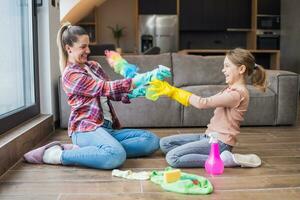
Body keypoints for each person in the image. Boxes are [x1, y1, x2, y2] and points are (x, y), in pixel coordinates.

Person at [23, 22, 171, 169]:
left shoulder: (93, 66)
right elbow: (104, 87)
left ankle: (99, 150)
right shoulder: (70, 75)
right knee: (116, 156)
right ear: (68, 48)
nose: (88, 50)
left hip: (106, 128)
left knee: (151, 141)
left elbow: (111, 93)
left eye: (88, 46)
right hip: (85, 129)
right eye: (83, 47)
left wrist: (137, 92)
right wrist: (145, 78)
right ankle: (57, 155)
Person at [148, 48, 266, 168]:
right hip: (208, 136)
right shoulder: (230, 89)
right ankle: (202, 153)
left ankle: (220, 159)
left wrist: (173, 91)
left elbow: (202, 103)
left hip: (220, 142)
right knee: (165, 143)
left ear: (241, 69)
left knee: (173, 158)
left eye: (227, 66)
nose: (223, 70)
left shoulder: (237, 94)